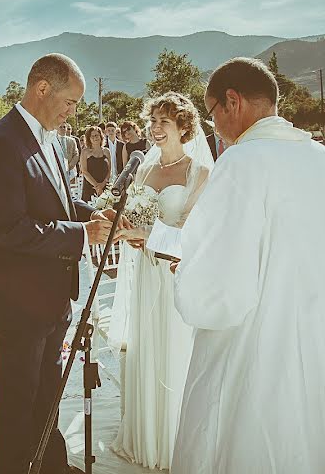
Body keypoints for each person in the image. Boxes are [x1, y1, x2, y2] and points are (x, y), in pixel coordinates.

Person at [147, 57, 325, 473]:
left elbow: (219, 288)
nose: (213, 128)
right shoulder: (318, 157)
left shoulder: (241, 160)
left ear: (233, 101)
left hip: (262, 339)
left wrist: (189, 267)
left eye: (212, 115)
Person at [0, 53, 114, 474]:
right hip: (17, 301)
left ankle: (49, 465)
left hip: (51, 296)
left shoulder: (46, 137)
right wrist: (81, 235)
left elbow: (61, 202)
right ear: (42, 89)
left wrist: (93, 214)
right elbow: (9, 227)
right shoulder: (0, 142)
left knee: (47, 393)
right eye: (70, 102)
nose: (73, 112)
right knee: (18, 403)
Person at [110, 93, 212, 469]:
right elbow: (136, 219)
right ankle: (147, 433)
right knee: (146, 344)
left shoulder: (199, 173)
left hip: (174, 276)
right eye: (151, 120)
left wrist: (146, 235)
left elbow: (192, 236)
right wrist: (124, 226)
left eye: (163, 122)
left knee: (174, 348)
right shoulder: (143, 171)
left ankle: (173, 439)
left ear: (184, 128)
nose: (154, 128)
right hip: (146, 274)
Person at [80, 126, 109, 202]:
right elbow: (84, 171)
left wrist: (102, 185)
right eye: (92, 136)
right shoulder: (85, 152)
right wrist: (97, 186)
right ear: (88, 138)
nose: (95, 137)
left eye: (97, 135)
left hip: (104, 187)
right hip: (90, 187)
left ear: (101, 136)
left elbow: (109, 171)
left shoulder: (106, 151)